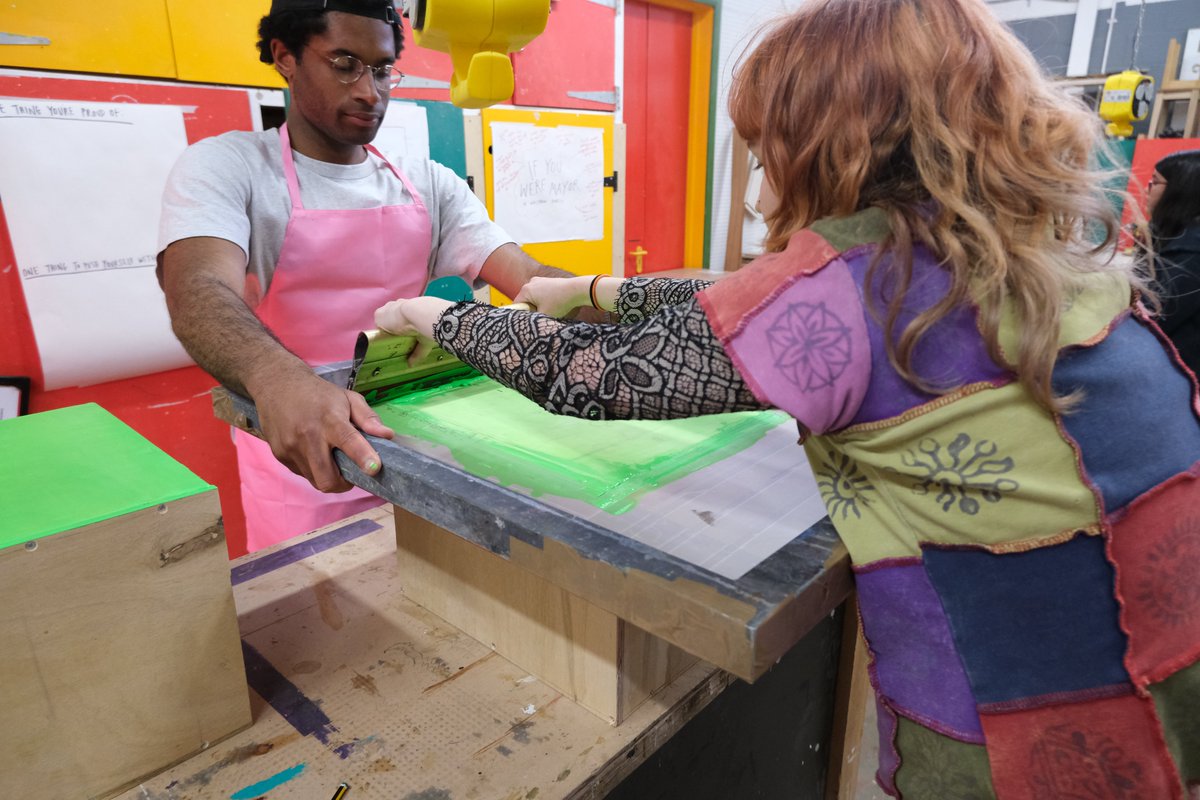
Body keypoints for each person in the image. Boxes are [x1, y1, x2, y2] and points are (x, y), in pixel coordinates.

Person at [375, 0, 1200, 797]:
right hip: (1167, 656)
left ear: (832, 149)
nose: (760, 193)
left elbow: (588, 377)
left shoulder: (854, 285)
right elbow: (746, 299)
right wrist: (592, 289)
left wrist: (441, 318)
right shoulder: (1001, 241)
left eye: (767, 157)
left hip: (1042, 714)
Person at [157, 0, 571, 551]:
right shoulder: (231, 168)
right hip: (304, 464)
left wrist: (613, 300)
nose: (370, 91)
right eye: (345, 64)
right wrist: (277, 378)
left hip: (418, 454)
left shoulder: (426, 182)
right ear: (285, 56)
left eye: (381, 70)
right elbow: (196, 289)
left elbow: (530, 279)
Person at [1145, 150, 1200, 375]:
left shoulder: (1189, 252)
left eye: (1155, 182)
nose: (1147, 189)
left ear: (1181, 189)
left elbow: (1151, 319)